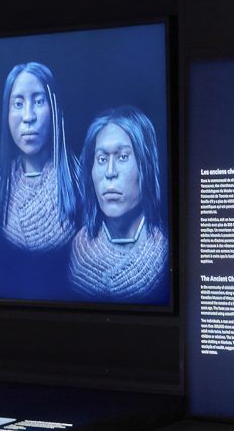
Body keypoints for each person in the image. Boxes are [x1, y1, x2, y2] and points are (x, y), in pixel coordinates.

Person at [67, 106, 170, 301]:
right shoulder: (79, 249)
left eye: (123, 157)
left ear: (146, 165)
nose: (110, 172)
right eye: (102, 159)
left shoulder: (165, 253)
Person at [0, 61, 79, 259]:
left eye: (39, 101)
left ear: (54, 109)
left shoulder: (78, 180)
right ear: (7, 114)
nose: (28, 116)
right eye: (18, 104)